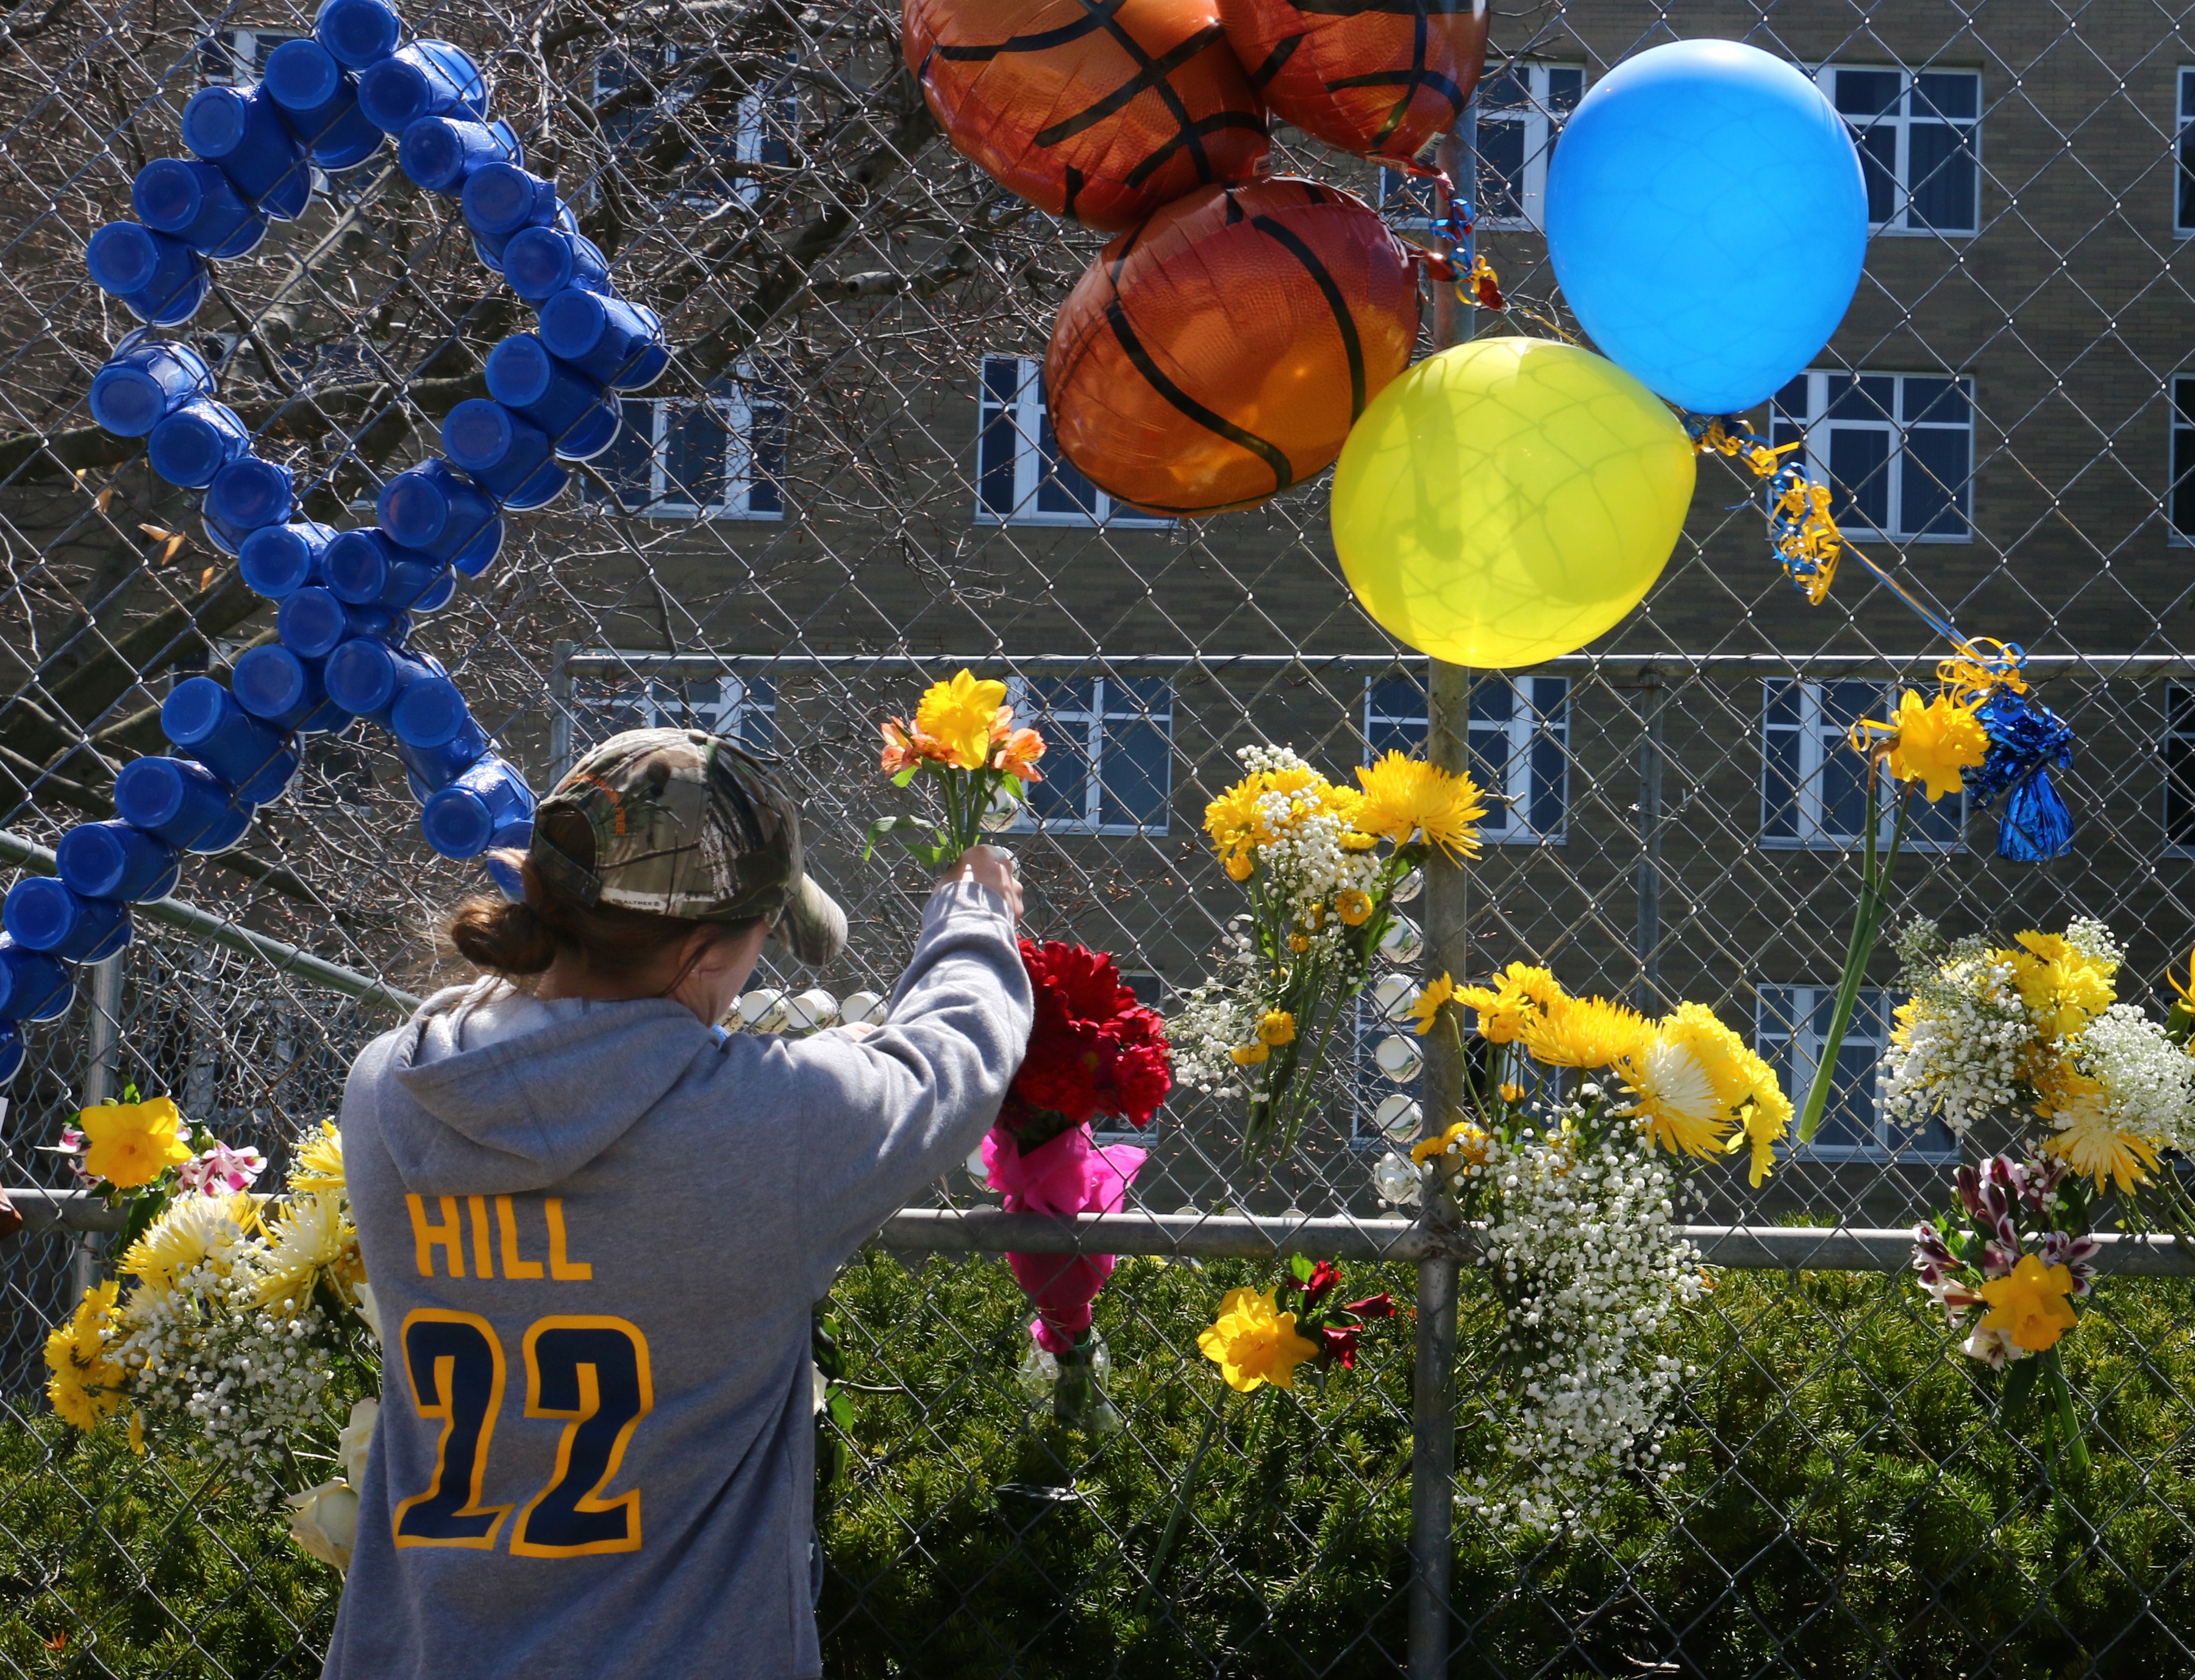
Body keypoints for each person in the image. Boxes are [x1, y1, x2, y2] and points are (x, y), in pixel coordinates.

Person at [323, 728, 1031, 1680]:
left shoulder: (389, 1089)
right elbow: (952, 1058)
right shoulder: (763, 1123)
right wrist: (974, 915)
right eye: (754, 943)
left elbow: (522, 1024)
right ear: (703, 955)